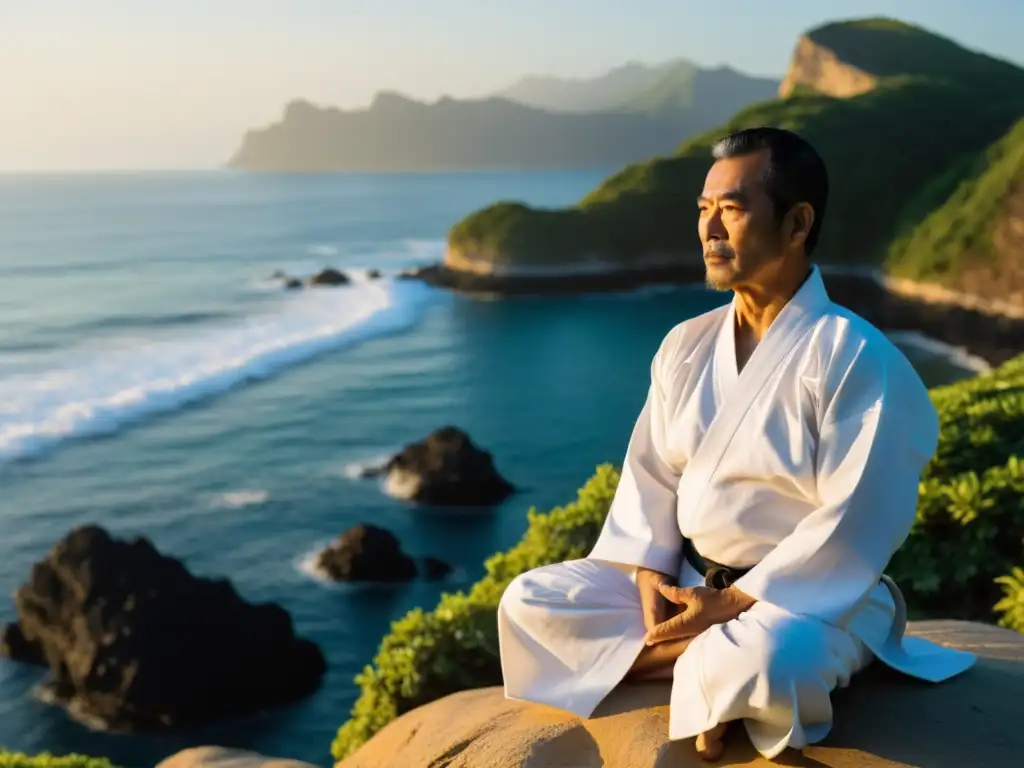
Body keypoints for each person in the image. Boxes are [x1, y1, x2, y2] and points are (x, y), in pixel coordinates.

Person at [496, 126, 977, 761]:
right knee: (531, 601)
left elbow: (857, 518)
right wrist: (650, 574)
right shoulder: (686, 344)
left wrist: (731, 604)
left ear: (798, 222)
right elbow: (652, 478)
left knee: (775, 659)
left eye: (731, 209)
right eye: (703, 209)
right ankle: (705, 670)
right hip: (688, 584)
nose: (709, 230)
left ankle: (692, 665)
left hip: (801, 600)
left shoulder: (856, 356)